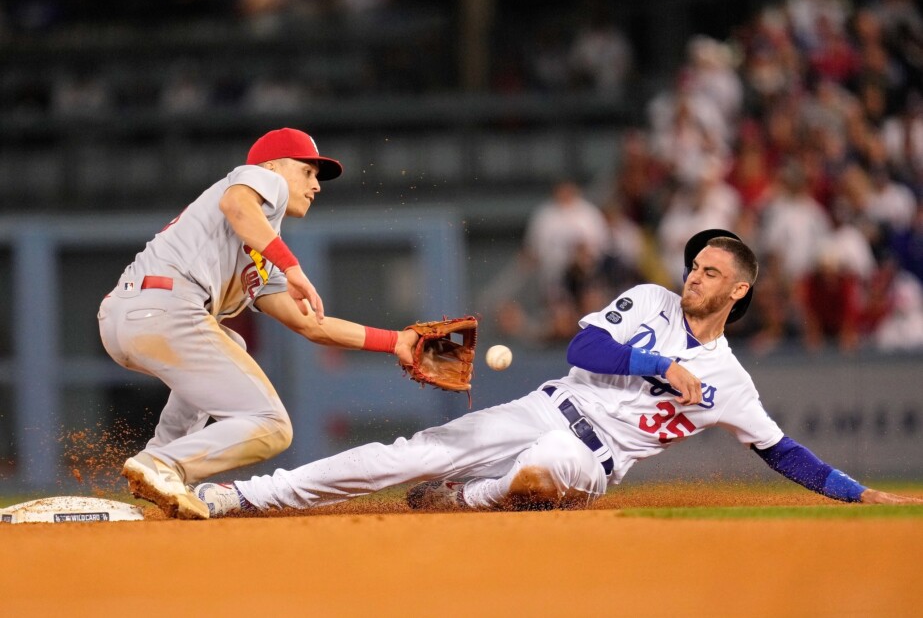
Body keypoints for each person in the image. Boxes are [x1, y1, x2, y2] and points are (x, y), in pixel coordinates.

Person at [192, 229, 921, 517]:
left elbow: (781, 451)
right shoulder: (650, 302)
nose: (694, 276)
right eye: (695, 264)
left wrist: (858, 494)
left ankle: (463, 499)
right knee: (401, 454)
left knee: (537, 475)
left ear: (737, 292)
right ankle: (238, 497)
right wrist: (658, 362)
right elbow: (584, 354)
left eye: (712, 273)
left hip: (588, 457)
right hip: (543, 406)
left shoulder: (730, 381)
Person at [97, 128, 420, 519]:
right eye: (308, 171)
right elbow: (237, 204)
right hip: (165, 307)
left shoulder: (258, 247)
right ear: (273, 166)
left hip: (130, 315)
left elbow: (311, 325)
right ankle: (164, 464)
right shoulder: (261, 182)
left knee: (232, 340)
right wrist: (291, 264)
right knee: (271, 426)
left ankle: (161, 463)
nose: (315, 185)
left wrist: (396, 342)